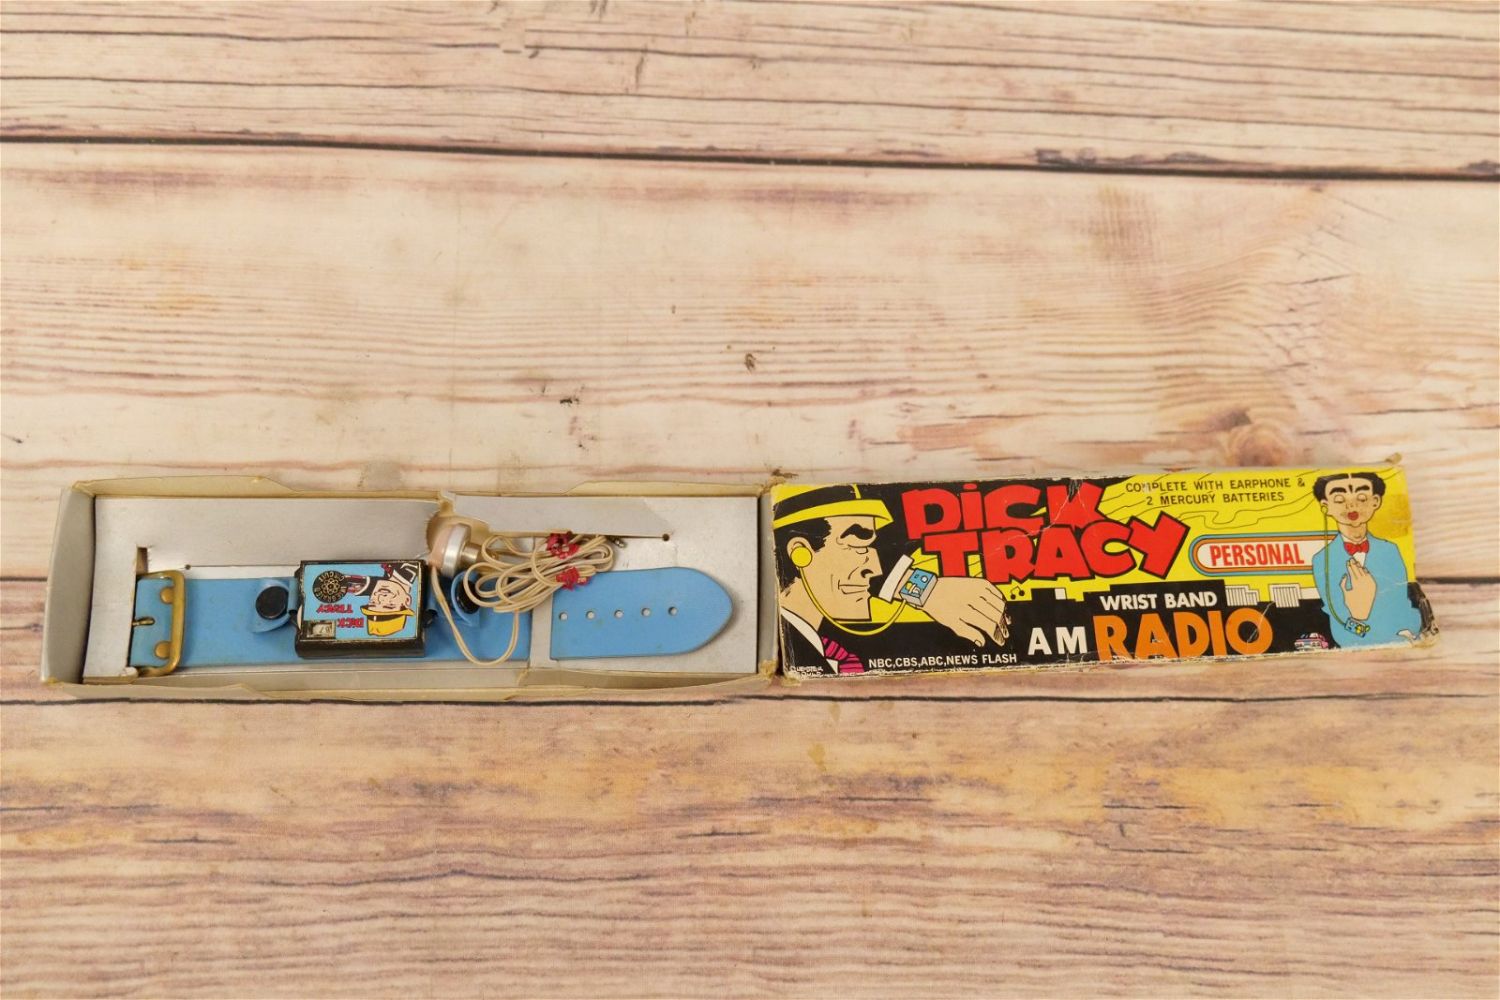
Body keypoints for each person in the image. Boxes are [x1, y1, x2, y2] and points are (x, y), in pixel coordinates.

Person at [774, 485, 1010, 675]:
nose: (875, 569)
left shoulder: (821, 650)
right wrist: (924, 588)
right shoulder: (790, 655)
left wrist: (924, 588)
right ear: (800, 552)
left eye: (871, 548)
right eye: (858, 547)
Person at [1309, 472, 1421, 647]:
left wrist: (1406, 632)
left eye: (1361, 498)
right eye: (1339, 499)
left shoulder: (1390, 550)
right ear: (1326, 506)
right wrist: (1358, 615)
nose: (1351, 505)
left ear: (1375, 501)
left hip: (1402, 637)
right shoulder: (1322, 560)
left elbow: (1402, 603)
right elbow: (1339, 622)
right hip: (1354, 643)